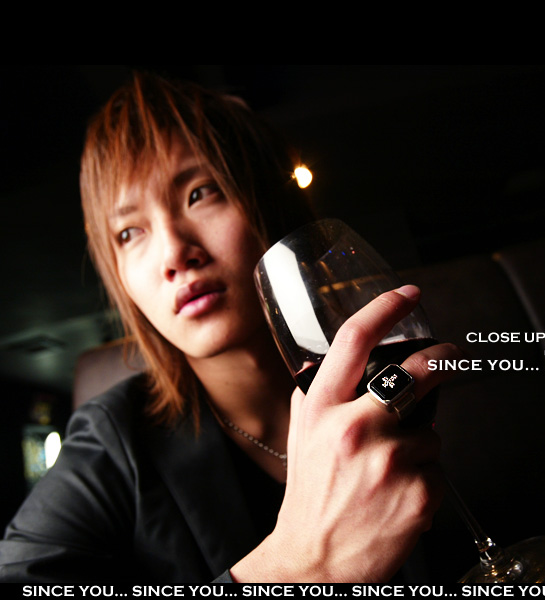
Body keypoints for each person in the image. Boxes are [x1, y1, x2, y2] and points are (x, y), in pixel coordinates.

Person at [0, 72, 461, 582]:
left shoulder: (378, 373)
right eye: (129, 232)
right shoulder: (111, 443)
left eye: (201, 193)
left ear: (269, 206)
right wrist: (299, 562)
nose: (174, 254)